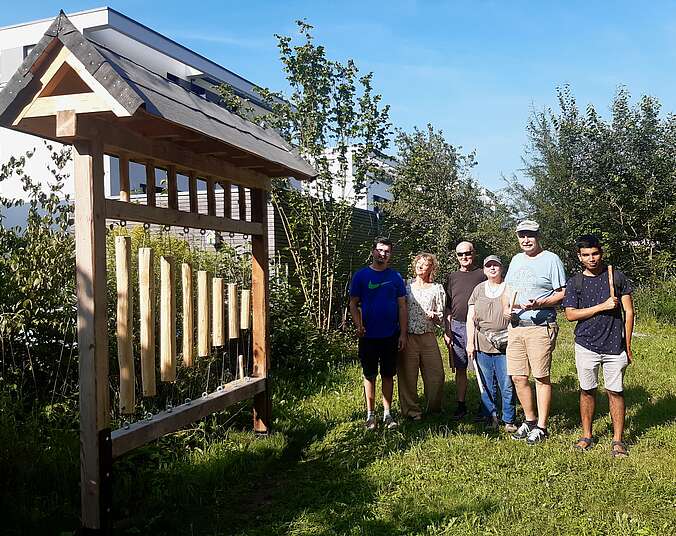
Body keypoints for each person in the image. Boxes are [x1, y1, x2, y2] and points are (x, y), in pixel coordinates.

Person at [562, 235, 634, 457]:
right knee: (587, 390)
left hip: (615, 345)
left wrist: (628, 345)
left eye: (595, 253)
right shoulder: (575, 282)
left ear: (601, 253)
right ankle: (587, 435)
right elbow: (570, 314)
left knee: (615, 392)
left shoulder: (617, 277)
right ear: (579, 257)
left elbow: (629, 312)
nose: (591, 259)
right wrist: (602, 306)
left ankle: (618, 440)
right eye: (586, 255)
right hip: (586, 345)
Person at [504, 220, 566, 444]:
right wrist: (506, 307)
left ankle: (542, 426)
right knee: (519, 377)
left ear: (538, 236)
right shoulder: (516, 260)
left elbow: (562, 293)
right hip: (516, 327)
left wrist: (540, 303)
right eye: (522, 236)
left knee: (541, 377)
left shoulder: (551, 259)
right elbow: (509, 288)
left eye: (530, 235)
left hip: (540, 327)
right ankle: (529, 420)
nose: (526, 240)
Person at [349, 237, 407, 430]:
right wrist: (359, 325)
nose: (383, 254)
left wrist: (403, 334)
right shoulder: (361, 276)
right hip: (368, 337)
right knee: (370, 375)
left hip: (390, 335)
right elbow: (353, 303)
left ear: (391, 254)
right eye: (380, 250)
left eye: (387, 251)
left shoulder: (396, 277)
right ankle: (370, 415)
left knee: (388, 375)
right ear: (373, 251)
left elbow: (402, 307)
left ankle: (387, 414)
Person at [466, 255, 517, 432]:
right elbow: (470, 319)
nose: (492, 268)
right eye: (489, 266)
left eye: (495, 265)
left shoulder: (509, 288)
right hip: (482, 343)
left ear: (501, 268)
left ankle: (509, 419)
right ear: (484, 269)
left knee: (507, 383)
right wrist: (470, 343)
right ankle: (491, 416)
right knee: (486, 383)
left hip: (505, 344)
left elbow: (517, 311)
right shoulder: (478, 289)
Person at [398, 253, 446, 421]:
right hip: (408, 336)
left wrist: (435, 317)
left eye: (425, 264)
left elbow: (441, 317)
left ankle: (433, 408)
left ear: (431, 268)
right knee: (407, 376)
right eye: (419, 262)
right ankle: (412, 411)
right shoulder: (405, 285)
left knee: (437, 375)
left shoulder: (437, 288)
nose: (421, 266)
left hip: (428, 336)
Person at [444, 241, 487, 420]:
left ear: (474, 253)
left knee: (483, 367)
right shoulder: (451, 277)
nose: (464, 257)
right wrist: (448, 330)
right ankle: (461, 405)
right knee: (461, 368)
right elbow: (447, 307)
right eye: (460, 254)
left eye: (467, 253)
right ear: (456, 257)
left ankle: (485, 405)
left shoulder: (482, 275)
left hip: (480, 327)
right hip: (457, 327)